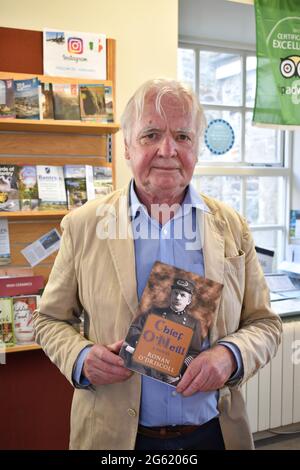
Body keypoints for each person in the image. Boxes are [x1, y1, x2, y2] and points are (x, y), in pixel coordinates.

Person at [33, 78, 282, 451]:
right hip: (117, 438)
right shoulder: (85, 225)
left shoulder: (232, 227)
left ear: (196, 148)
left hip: (213, 434)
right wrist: (81, 357)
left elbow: (265, 324)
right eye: (151, 134)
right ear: (127, 147)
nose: (168, 150)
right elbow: (48, 319)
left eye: (182, 137)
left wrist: (230, 357)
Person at [121, 278, 200, 385]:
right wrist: (142, 341)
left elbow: (194, 352)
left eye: (182, 295)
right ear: (171, 295)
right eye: (175, 293)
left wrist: (179, 369)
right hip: (144, 363)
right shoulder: (154, 312)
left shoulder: (193, 323)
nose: (177, 297)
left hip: (171, 371)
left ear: (188, 301)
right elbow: (134, 329)